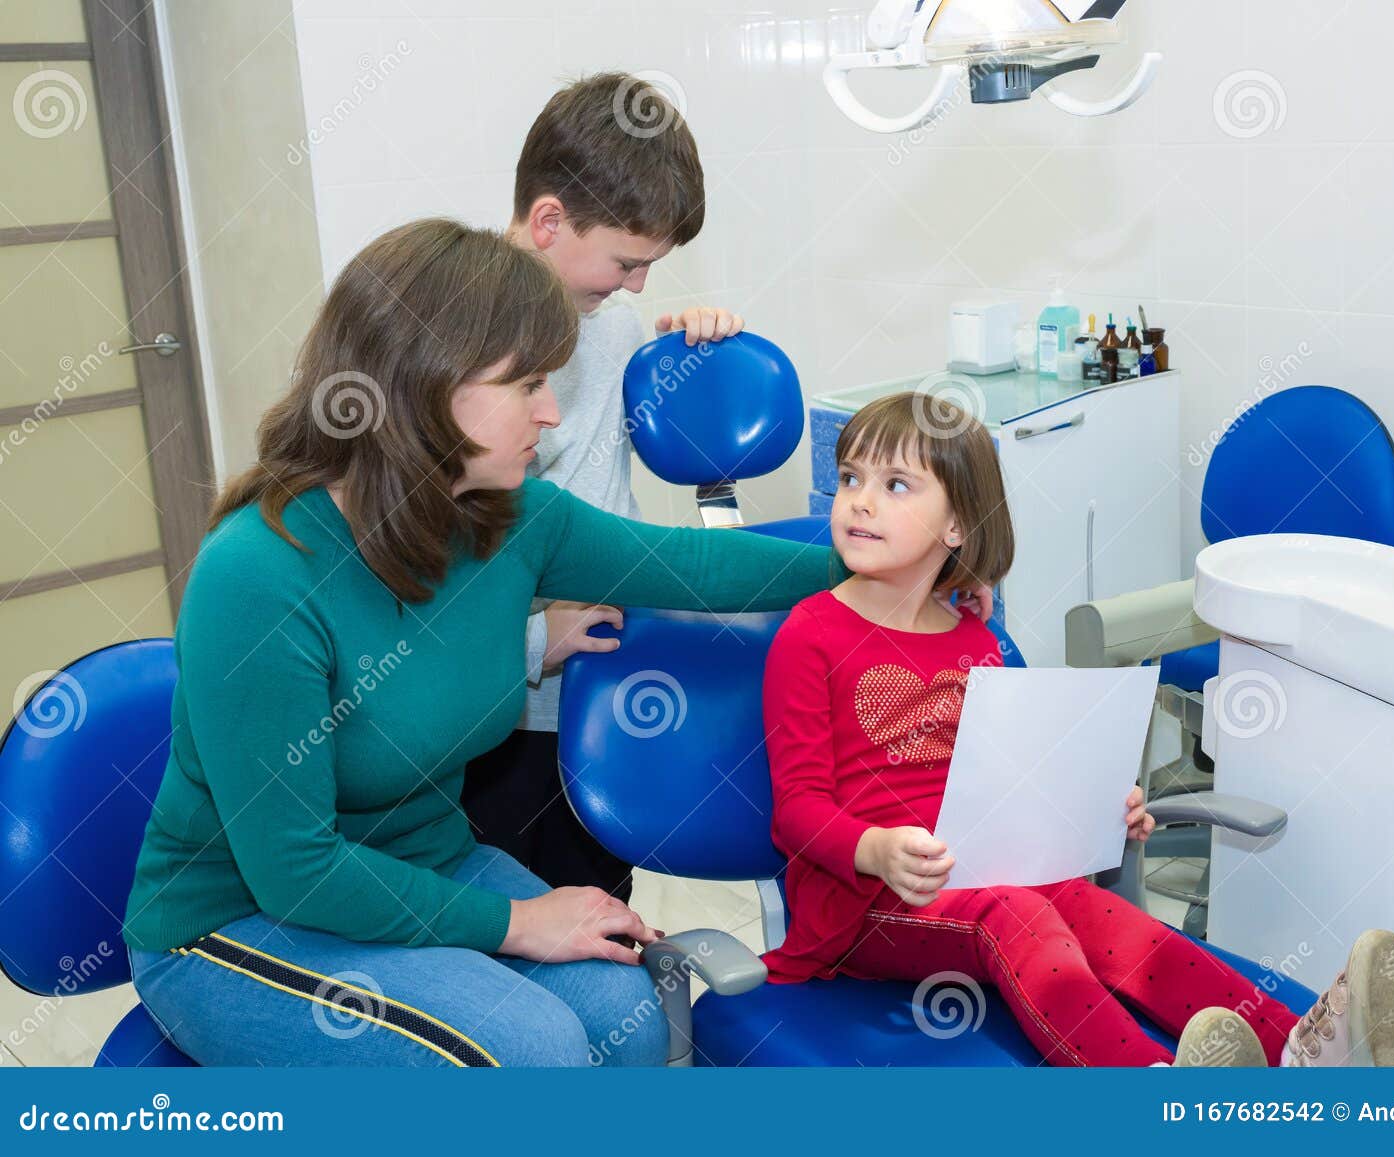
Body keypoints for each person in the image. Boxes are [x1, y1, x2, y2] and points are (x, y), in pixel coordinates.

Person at [121, 218, 860, 1067]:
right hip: (239, 918)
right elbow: (296, 868)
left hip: (423, 863)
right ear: (425, 387)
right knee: (532, 1049)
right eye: (528, 383)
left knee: (631, 1013)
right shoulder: (257, 575)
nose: (550, 411)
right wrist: (519, 921)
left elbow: (693, 563)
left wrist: (883, 562)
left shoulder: (507, 518)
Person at [759, 390, 1394, 1068]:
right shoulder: (811, 635)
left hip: (987, 871)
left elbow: (1013, 783)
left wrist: (1097, 809)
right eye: (851, 478)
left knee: (1113, 920)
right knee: (1015, 918)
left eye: (895, 484)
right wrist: (875, 849)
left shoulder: (973, 637)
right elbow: (797, 813)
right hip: (866, 904)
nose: (860, 500)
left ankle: (1301, 1046)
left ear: (956, 524)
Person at [460, 72, 747, 904]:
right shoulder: (450, 354)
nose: (638, 286)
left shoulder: (614, 323)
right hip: (493, 727)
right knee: (506, 956)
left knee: (599, 924)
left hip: (605, 703)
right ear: (549, 221)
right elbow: (410, 605)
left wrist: (694, 350)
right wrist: (529, 643)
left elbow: (673, 444)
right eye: (627, 261)